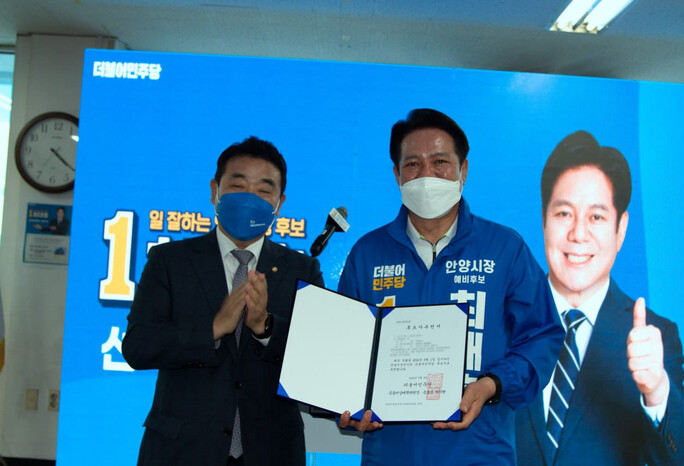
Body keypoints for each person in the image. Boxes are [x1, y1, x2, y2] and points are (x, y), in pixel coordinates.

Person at [337, 108, 564, 465]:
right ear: (397, 175)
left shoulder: (504, 249)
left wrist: (492, 384)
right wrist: (347, 402)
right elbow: (343, 350)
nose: (427, 174)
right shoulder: (367, 254)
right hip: (391, 454)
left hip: (480, 452)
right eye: (413, 164)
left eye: (440, 161)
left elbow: (543, 336)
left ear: (463, 170)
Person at [122, 136, 323, 466]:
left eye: (264, 190)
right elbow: (138, 347)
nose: (249, 198)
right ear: (215, 190)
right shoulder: (169, 261)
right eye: (238, 186)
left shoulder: (301, 270)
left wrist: (265, 327)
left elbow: (316, 358)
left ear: (280, 203)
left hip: (272, 452)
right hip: (182, 451)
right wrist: (213, 328)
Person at [514, 130, 684, 465]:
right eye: (564, 213)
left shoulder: (655, 337)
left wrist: (656, 391)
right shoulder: (500, 321)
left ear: (620, 229)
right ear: (544, 220)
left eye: (596, 217)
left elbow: (679, 460)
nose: (578, 234)